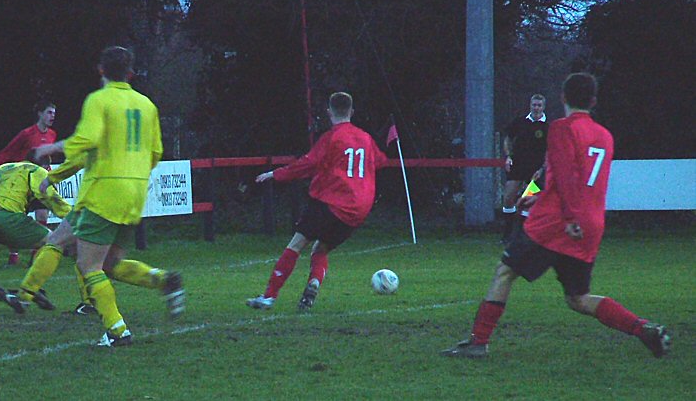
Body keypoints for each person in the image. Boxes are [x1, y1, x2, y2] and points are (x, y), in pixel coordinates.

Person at [442, 73, 671, 359]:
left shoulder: (561, 128)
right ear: (593, 101)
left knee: (505, 271)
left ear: (562, 98)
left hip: (556, 222)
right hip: (591, 223)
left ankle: (478, 342)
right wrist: (542, 197)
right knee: (578, 298)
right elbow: (582, 180)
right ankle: (642, 328)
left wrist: (567, 215)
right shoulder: (605, 136)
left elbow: (562, 174)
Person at [2, 46, 185, 347]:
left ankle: (117, 329)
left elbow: (85, 141)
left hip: (102, 194)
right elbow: (155, 154)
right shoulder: (147, 105)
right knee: (103, 259)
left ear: (100, 70)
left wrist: (49, 150)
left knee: (89, 266)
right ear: (131, 73)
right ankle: (163, 280)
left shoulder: (100, 100)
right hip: (135, 194)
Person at [246, 92, 389, 311]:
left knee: (296, 243)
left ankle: (269, 296)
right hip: (358, 210)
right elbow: (380, 161)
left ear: (329, 112)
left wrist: (276, 174)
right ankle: (312, 285)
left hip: (332, 202)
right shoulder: (366, 138)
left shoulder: (332, 137)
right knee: (320, 250)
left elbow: (307, 164)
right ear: (352, 112)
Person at [0, 152, 72, 310]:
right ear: (44, 165)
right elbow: (49, 197)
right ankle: (28, 292)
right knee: (53, 241)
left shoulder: (4, 167)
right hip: (3, 216)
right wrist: (73, 216)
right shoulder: (36, 170)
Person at [0, 100, 58, 265]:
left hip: (40, 181)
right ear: (40, 114)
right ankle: (12, 254)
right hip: (23, 180)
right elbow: (8, 151)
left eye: (54, 113)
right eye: (49, 112)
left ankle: (35, 256)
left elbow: (47, 159)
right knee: (16, 218)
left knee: (42, 215)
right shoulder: (27, 134)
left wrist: (50, 176)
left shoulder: (52, 134)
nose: (52, 116)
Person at [501, 94, 548, 244]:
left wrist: (542, 168)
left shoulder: (548, 126)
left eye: (539, 105)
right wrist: (508, 156)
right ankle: (507, 234)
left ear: (543, 107)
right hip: (518, 166)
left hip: (535, 170)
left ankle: (521, 236)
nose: (536, 108)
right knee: (508, 198)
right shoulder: (520, 122)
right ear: (530, 105)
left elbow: (551, 150)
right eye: (534, 105)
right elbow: (508, 138)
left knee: (528, 202)